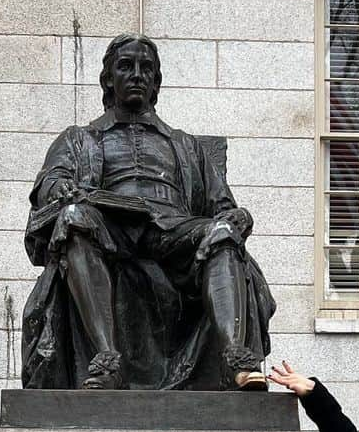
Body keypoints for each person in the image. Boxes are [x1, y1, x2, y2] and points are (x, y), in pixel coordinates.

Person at [21, 34, 275, 392]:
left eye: (146, 69)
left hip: (173, 232)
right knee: (75, 217)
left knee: (221, 233)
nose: (137, 75)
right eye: (126, 67)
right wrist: (59, 188)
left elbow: (223, 207)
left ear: (156, 82)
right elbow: (52, 180)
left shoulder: (186, 145)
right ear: (109, 79)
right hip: (110, 227)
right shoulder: (80, 138)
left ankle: (235, 357)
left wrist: (238, 218)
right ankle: (107, 361)